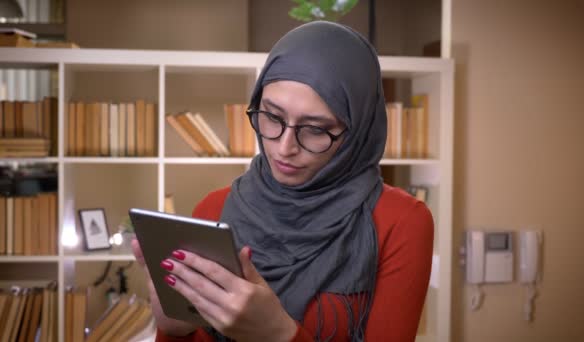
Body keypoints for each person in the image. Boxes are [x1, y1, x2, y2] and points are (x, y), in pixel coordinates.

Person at [132, 20, 433, 342]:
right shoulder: (214, 207)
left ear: (357, 132)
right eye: (272, 116)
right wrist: (174, 328)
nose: (284, 148)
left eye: (315, 129)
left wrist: (277, 333)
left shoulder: (401, 223)